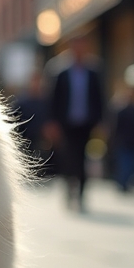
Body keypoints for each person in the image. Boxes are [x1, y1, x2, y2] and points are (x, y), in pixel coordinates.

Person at [44, 34, 104, 211]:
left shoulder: (94, 71)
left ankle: (82, 194)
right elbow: (53, 99)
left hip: (86, 122)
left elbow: (99, 98)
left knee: (84, 158)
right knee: (70, 157)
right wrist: (52, 123)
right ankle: (70, 189)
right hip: (66, 123)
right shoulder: (61, 72)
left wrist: (101, 122)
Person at [109, 86, 134, 192]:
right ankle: (122, 184)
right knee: (124, 164)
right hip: (123, 142)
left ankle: (125, 183)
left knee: (131, 165)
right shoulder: (121, 111)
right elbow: (115, 127)